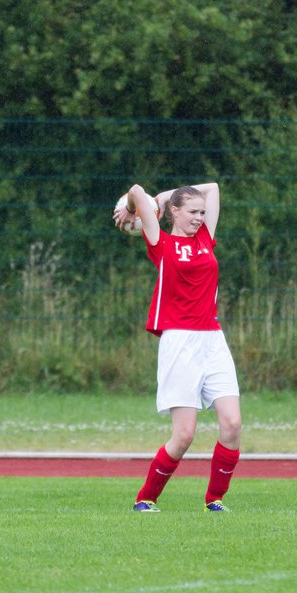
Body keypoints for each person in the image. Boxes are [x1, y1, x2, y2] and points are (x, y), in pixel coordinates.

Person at [113, 182, 242, 513]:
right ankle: (146, 498)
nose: (200, 218)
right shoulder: (161, 242)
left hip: (212, 339)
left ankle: (214, 501)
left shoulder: (204, 239)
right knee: (184, 435)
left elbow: (212, 187)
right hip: (179, 341)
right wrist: (134, 207)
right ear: (173, 212)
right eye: (193, 212)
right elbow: (137, 191)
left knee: (232, 424)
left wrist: (167, 198)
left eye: (202, 213)